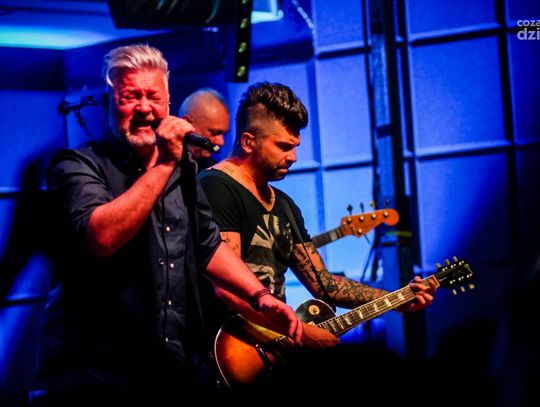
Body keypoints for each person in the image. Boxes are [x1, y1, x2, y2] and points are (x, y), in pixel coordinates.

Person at [31, 46, 302, 406]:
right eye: (131, 97)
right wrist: (163, 164)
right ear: (109, 100)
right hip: (94, 376)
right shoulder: (76, 165)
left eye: (154, 97)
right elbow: (102, 237)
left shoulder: (182, 169)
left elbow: (209, 245)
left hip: (168, 369)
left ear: (168, 103)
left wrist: (261, 297)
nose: (144, 108)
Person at [198, 82, 438, 370]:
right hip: (229, 352)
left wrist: (397, 299)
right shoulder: (216, 187)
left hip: (276, 350)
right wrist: (301, 332)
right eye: (284, 147)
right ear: (249, 142)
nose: (293, 157)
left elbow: (325, 285)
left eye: (295, 147)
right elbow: (226, 290)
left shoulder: (284, 205)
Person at [178, 88, 230, 171]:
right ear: (186, 123)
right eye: (215, 133)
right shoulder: (159, 161)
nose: (221, 142)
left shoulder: (214, 171)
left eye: (224, 134)